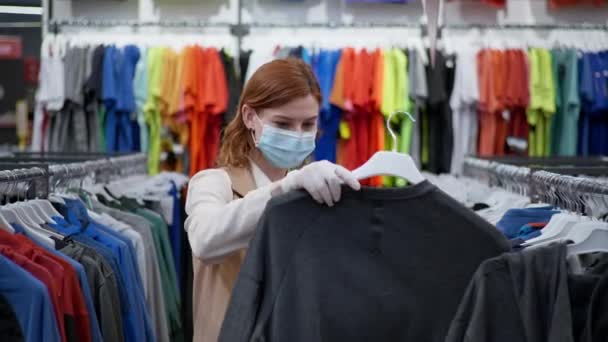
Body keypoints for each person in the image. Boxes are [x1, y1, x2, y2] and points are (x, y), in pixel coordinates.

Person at [185, 58, 361, 342]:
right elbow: (206, 240)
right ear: (249, 117)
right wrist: (285, 187)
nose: (298, 135)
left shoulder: (317, 192)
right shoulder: (213, 182)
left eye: (308, 124)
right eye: (283, 123)